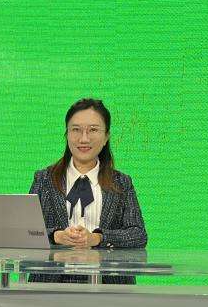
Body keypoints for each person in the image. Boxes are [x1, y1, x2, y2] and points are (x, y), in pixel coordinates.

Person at [29, 97, 147, 250]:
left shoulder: (122, 182)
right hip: (55, 266)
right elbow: (26, 232)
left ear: (106, 137)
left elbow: (138, 235)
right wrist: (56, 236)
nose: (84, 139)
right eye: (76, 129)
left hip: (103, 266)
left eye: (93, 130)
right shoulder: (44, 179)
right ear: (67, 134)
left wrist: (97, 238)